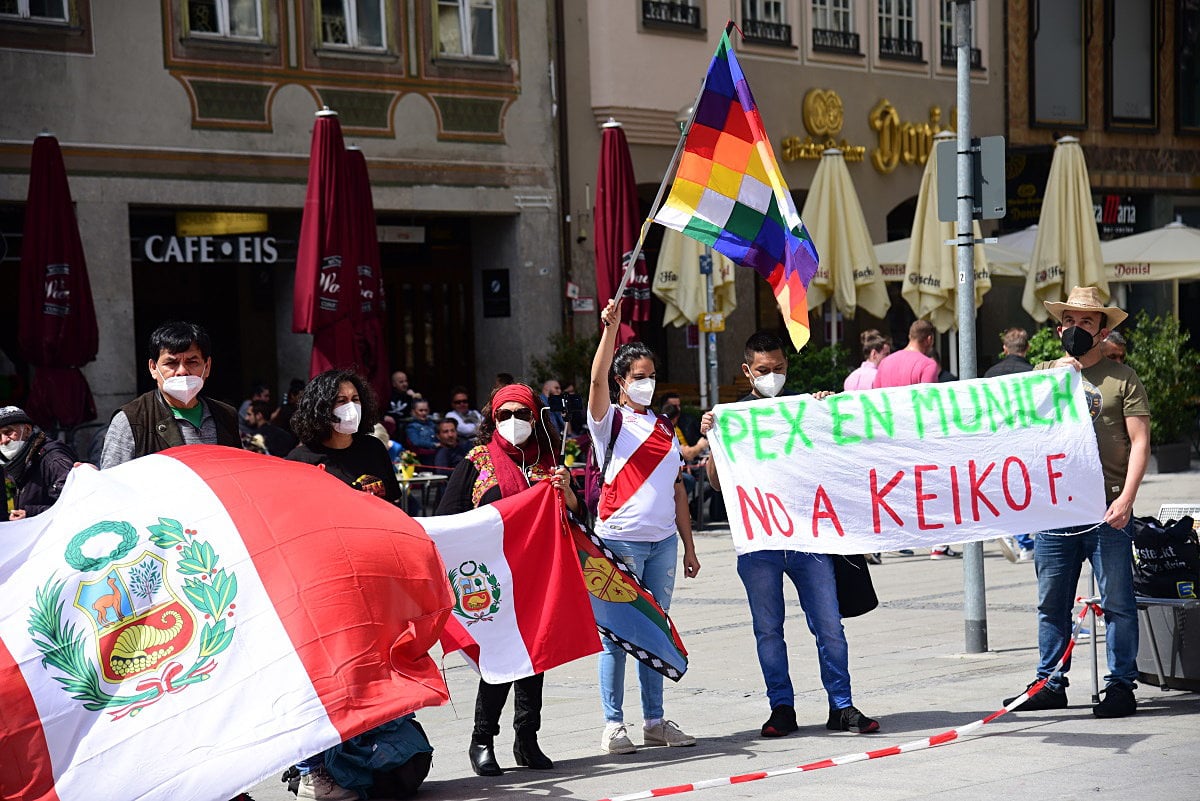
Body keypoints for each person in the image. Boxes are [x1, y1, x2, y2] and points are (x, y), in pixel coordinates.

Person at [699, 332, 880, 739]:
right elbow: (714, 482)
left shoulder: (805, 407)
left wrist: (826, 413)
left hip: (808, 539)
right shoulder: (733, 417)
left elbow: (838, 454)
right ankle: (781, 707)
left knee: (829, 625)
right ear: (747, 371)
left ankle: (842, 705)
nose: (773, 376)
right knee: (768, 630)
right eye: (764, 370)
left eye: (779, 368)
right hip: (760, 542)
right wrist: (713, 438)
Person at [1003, 286, 1150, 719]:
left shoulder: (1123, 379)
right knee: (1051, 601)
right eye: (1070, 321)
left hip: (1107, 511)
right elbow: (1012, 425)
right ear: (1058, 327)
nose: (1076, 328)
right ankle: (1050, 681)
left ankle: (1121, 685)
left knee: (1118, 603)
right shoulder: (1043, 374)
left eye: (1086, 322)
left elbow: (1140, 441)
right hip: (1055, 510)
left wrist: (1127, 499)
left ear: (1103, 331)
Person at [286, 370, 420, 799]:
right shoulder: (299, 461)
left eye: (354, 398)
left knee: (372, 675)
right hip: (326, 588)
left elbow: (394, 510)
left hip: (376, 584)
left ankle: (371, 757)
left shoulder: (373, 449)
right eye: (339, 400)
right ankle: (311, 769)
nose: (349, 407)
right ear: (319, 409)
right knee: (327, 678)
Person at [436, 383, 581, 776]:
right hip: (491, 580)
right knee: (499, 661)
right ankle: (482, 740)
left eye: (522, 414)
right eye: (505, 414)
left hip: (538, 576)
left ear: (536, 418)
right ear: (493, 418)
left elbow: (577, 515)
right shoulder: (477, 459)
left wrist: (566, 490)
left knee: (536, 659)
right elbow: (448, 517)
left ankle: (527, 738)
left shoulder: (550, 461)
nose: (513, 421)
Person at [588, 298, 700, 755]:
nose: (648, 383)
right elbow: (594, 380)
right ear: (621, 382)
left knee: (654, 632)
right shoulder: (609, 421)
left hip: (662, 544)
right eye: (639, 377)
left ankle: (654, 721)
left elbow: (676, 489)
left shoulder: (664, 426)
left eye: (652, 376)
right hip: (619, 541)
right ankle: (614, 725)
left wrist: (689, 547)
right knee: (615, 636)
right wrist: (610, 331)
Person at [101, 321, 241, 469]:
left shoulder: (226, 416)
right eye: (171, 363)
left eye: (192, 362)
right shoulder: (132, 420)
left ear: (207, 367)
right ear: (153, 368)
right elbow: (111, 485)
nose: (182, 371)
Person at [873, 320, 957, 559]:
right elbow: (927, 407)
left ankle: (887, 540)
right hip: (917, 438)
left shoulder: (885, 363)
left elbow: (875, 400)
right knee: (931, 489)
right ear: (929, 339)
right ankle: (938, 544)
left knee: (892, 490)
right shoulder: (928, 364)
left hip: (888, 436)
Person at [987, 329, 1036, 561]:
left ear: (1004, 349)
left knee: (1002, 489)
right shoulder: (1033, 373)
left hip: (997, 439)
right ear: (1026, 349)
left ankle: (1008, 530)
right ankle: (1024, 541)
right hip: (1024, 439)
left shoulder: (990, 374)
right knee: (1024, 492)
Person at [0, 406, 76, 519]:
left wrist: (31, 513)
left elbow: (76, 505)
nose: (3, 441)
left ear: (27, 430)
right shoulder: (16, 462)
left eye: (8, 432)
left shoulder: (53, 459)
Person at [405, 400, 438, 464]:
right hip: (423, 457)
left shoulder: (432, 424)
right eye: (421, 410)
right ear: (413, 412)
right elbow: (416, 442)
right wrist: (434, 445)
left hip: (437, 453)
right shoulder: (412, 426)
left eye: (426, 410)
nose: (424, 413)